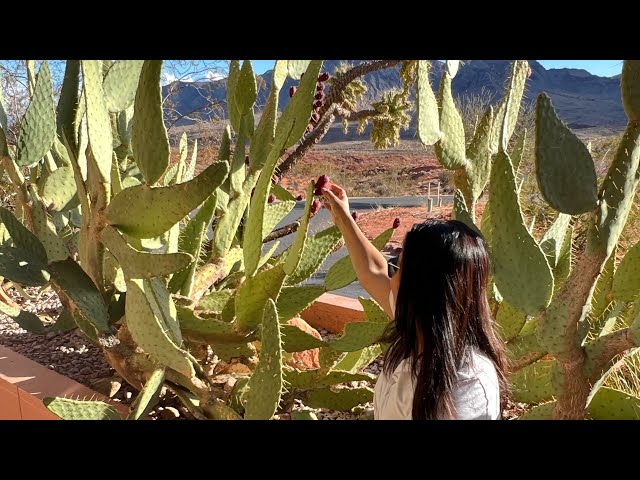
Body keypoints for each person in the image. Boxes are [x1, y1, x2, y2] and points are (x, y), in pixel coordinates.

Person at [320, 182, 508, 420]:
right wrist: (344, 218)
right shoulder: (423, 328)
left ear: (419, 288)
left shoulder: (466, 385)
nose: (391, 275)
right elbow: (373, 271)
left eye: (398, 268)